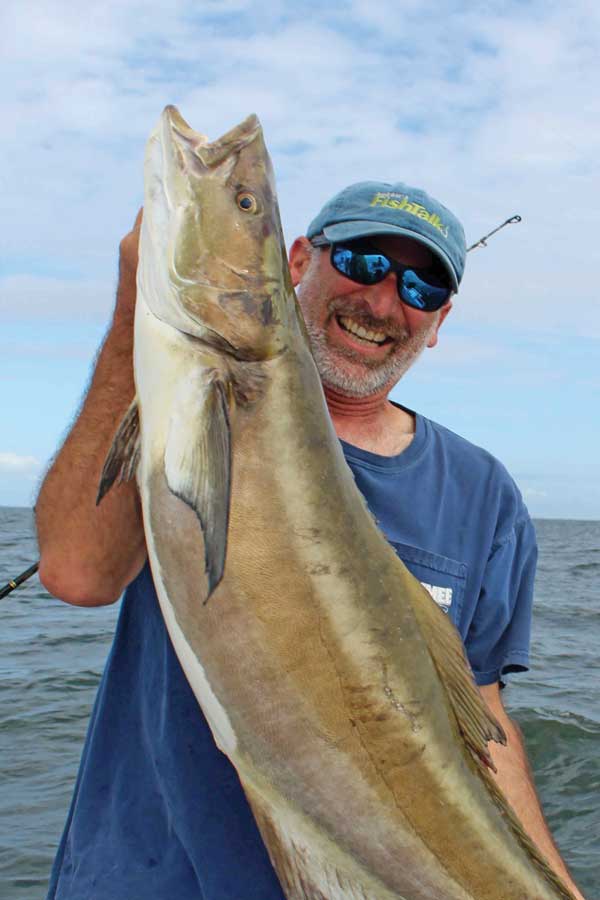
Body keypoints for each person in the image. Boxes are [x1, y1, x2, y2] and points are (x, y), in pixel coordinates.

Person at [36, 181, 584, 900]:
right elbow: (77, 573)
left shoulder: (483, 494)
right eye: (361, 262)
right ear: (296, 261)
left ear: (439, 318)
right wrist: (138, 309)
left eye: (420, 286)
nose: (384, 303)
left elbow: (480, 724)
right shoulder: (192, 410)